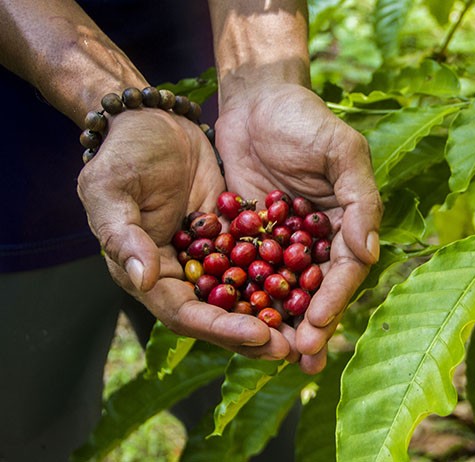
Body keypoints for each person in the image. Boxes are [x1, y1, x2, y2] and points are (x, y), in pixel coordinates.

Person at [0, 0, 382, 460]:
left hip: (209, 122)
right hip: (17, 169)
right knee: (33, 428)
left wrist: (266, 80)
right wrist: (118, 101)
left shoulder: (235, 208)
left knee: (255, 416)